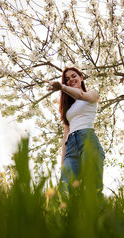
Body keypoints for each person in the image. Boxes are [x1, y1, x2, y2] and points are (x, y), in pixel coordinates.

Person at [47, 67, 105, 195]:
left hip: (87, 139)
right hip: (71, 146)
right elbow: (65, 135)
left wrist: (62, 87)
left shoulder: (92, 93)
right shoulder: (68, 108)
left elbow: (81, 95)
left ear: (81, 77)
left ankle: (99, 213)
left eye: (74, 76)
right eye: (67, 79)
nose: (71, 80)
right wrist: (63, 162)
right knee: (65, 188)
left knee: (92, 188)